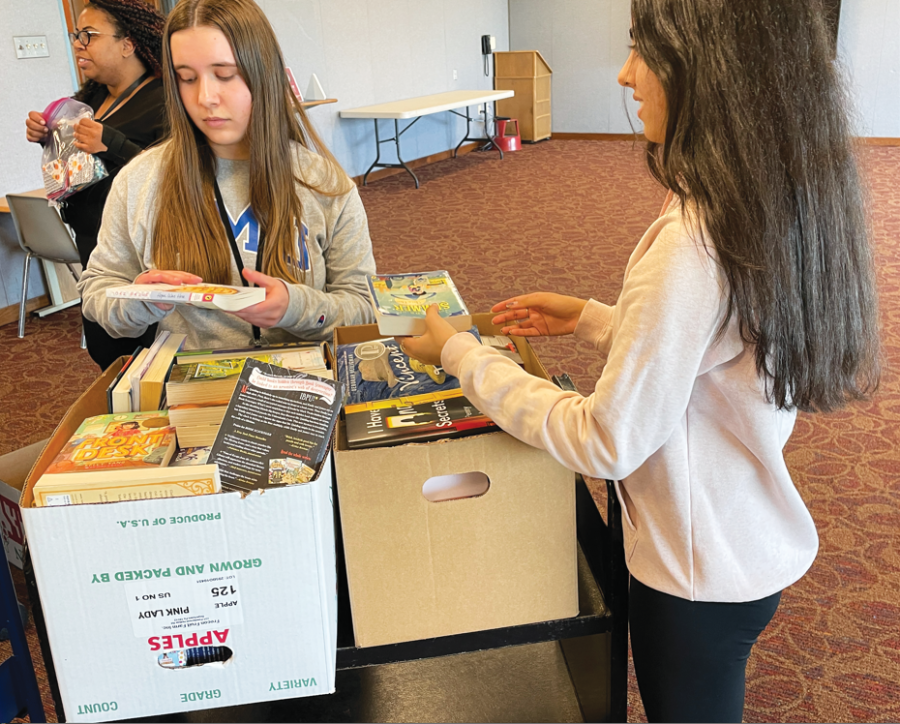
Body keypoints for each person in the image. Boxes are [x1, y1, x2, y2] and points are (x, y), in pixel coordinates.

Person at [400, 0, 881, 721]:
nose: (626, 76)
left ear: (710, 69)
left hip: (693, 577)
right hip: (743, 541)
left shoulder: (692, 241)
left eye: (641, 50)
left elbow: (606, 440)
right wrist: (594, 317)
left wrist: (462, 353)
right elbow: (712, 355)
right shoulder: (769, 198)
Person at [78, 0, 376, 352]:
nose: (205, 98)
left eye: (225, 75)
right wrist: (141, 299)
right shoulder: (140, 179)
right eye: (187, 78)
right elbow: (97, 292)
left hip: (305, 386)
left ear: (261, 73)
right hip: (195, 392)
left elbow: (366, 309)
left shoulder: (323, 182)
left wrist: (296, 308)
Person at [25, 0, 167, 371]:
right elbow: (79, 166)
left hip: (142, 253)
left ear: (128, 43)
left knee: (147, 355)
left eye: (89, 35)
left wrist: (112, 144)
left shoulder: (164, 100)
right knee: (107, 352)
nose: (77, 44)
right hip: (93, 245)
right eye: (76, 35)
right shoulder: (88, 98)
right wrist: (46, 137)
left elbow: (173, 179)